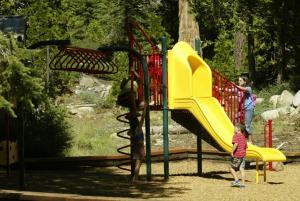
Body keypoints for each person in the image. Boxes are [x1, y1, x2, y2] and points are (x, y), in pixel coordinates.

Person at [127, 101, 147, 184]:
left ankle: (135, 178)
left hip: (136, 146)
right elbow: (142, 118)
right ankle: (135, 179)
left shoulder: (132, 129)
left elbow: (129, 134)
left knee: (138, 162)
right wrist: (145, 109)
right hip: (139, 146)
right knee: (138, 163)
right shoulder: (137, 128)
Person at [237, 76, 254, 143]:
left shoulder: (248, 88)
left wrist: (235, 86)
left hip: (249, 108)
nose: (239, 82)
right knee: (241, 123)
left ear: (245, 82)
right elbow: (232, 90)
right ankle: (242, 139)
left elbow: (243, 89)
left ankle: (250, 141)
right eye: (238, 80)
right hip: (243, 109)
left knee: (247, 124)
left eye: (240, 80)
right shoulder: (239, 88)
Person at [230, 123, 247, 188]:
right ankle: (243, 184)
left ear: (238, 129)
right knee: (241, 169)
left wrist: (232, 151)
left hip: (237, 155)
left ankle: (237, 180)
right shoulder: (243, 137)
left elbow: (236, 144)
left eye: (235, 128)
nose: (234, 129)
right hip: (243, 155)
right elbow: (245, 146)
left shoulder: (236, 136)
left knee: (231, 168)